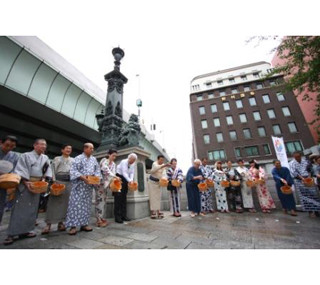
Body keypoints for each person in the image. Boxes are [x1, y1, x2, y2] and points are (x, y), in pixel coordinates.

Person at [4, 139, 52, 245]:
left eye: (45, 145)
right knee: (19, 209)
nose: (44, 147)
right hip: (25, 184)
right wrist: (26, 183)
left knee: (32, 209)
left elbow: (47, 171)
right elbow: (20, 170)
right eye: (42, 144)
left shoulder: (45, 158)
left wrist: (43, 180)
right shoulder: (25, 156)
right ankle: (12, 233)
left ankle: (27, 230)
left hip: (37, 185)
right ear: (35, 145)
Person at [65, 143, 101, 235]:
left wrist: (96, 178)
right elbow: (73, 171)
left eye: (93, 148)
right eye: (91, 148)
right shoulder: (78, 158)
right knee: (75, 205)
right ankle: (73, 226)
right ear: (85, 149)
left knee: (86, 206)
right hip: (79, 185)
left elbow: (97, 171)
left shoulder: (94, 159)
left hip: (88, 187)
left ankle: (84, 224)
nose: (92, 150)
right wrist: (83, 177)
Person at [41, 144, 74, 235]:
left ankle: (61, 223)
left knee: (65, 204)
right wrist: (54, 181)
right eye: (66, 148)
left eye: (70, 149)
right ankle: (48, 224)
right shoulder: (57, 159)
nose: (68, 150)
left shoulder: (73, 160)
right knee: (53, 203)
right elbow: (52, 170)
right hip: (58, 182)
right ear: (62, 150)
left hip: (69, 183)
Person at [290, 151, 320, 218]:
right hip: (299, 180)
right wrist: (302, 178)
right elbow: (293, 172)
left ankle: (316, 210)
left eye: (298, 156)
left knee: (313, 194)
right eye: (295, 157)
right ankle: (310, 211)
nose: (297, 158)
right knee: (305, 196)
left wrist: (309, 177)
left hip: (309, 179)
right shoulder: (292, 163)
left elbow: (310, 169)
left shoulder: (306, 161)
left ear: (300, 156)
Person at [96, 149, 119, 227]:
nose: (114, 157)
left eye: (115, 156)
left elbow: (113, 173)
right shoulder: (104, 160)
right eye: (113, 155)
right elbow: (104, 169)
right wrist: (114, 176)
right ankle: (98, 219)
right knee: (99, 200)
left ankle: (101, 217)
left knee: (104, 201)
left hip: (106, 184)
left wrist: (115, 178)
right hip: (100, 184)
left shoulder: (114, 164)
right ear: (109, 155)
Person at [0, 135, 19, 225]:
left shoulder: (14, 156)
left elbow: (15, 170)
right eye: (7, 145)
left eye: (12, 146)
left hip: (3, 184)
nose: (9, 148)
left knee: (0, 208)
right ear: (1, 142)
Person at [115, 153, 137, 223]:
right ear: (129, 158)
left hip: (126, 179)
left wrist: (131, 180)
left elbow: (132, 173)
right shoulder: (124, 162)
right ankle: (117, 217)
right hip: (119, 178)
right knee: (118, 197)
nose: (132, 162)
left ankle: (124, 215)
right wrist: (130, 181)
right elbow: (124, 173)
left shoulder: (133, 163)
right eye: (132, 160)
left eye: (134, 160)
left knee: (124, 197)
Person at [148, 155, 171, 219]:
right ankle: (153, 211)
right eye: (160, 160)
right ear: (157, 159)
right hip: (152, 182)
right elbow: (154, 170)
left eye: (162, 160)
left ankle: (158, 210)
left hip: (159, 182)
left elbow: (164, 174)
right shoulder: (154, 163)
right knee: (152, 197)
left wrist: (164, 179)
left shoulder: (163, 165)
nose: (161, 161)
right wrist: (164, 165)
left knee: (158, 197)